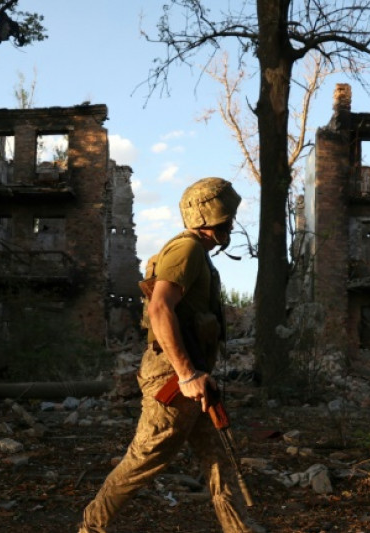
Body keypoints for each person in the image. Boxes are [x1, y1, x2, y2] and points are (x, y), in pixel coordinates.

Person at [78, 177, 263, 533]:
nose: (231, 223)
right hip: (175, 378)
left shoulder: (198, 254)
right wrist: (187, 374)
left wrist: (196, 373)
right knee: (145, 458)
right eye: (227, 216)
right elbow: (160, 307)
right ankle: (91, 527)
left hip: (193, 375)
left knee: (219, 460)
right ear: (210, 217)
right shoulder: (187, 250)